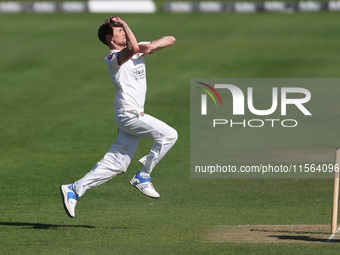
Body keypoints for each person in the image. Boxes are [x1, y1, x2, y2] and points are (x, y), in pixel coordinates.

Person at [60, 16, 177, 218]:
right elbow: (131, 49)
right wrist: (125, 25)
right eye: (119, 31)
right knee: (169, 135)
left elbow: (171, 39)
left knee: (118, 164)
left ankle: (74, 188)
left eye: (123, 30)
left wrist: (146, 47)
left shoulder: (137, 49)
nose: (123, 32)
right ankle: (143, 175)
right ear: (110, 39)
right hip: (129, 115)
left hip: (130, 116)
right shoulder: (113, 59)